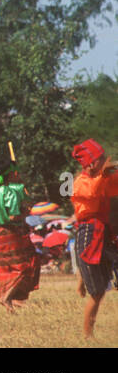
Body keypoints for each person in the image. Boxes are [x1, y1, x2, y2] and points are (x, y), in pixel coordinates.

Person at [69, 139, 118, 339]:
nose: (105, 161)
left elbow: (113, 187)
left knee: (103, 282)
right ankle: (87, 335)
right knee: (97, 293)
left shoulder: (103, 177)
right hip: (89, 233)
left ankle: (84, 278)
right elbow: (92, 193)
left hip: (105, 232)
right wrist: (103, 175)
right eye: (100, 159)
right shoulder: (80, 182)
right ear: (89, 164)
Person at [0, 156, 39, 312]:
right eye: (16, 172)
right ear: (12, 174)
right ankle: (7, 297)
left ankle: (15, 297)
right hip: (10, 232)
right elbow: (13, 217)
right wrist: (26, 212)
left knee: (6, 267)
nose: (18, 174)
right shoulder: (9, 192)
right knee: (25, 265)